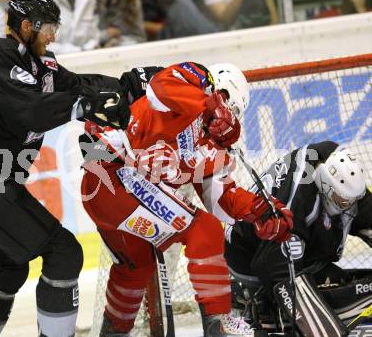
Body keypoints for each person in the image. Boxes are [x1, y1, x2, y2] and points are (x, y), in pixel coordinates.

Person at [0, 0, 151, 336]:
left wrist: (129, 86)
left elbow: (79, 85)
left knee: (7, 270)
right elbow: (28, 109)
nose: (54, 35)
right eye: (48, 27)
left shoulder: (39, 63)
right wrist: (81, 108)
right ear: (26, 26)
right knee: (65, 254)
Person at [81, 62, 293, 336]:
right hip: (111, 173)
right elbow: (160, 86)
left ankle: (113, 333)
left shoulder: (212, 148)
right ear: (217, 92)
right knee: (203, 230)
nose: (228, 120)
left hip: (119, 198)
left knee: (136, 266)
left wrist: (262, 210)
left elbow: (221, 199)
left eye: (234, 115)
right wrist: (211, 106)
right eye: (228, 106)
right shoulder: (186, 92)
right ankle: (220, 323)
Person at [225, 141, 372, 336]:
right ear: (326, 187)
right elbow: (273, 263)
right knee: (316, 313)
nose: (348, 205)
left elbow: (363, 209)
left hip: (294, 247)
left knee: (336, 282)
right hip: (249, 255)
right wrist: (324, 330)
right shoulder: (299, 197)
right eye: (343, 201)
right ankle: (261, 307)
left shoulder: (340, 180)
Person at [32, 0, 101, 53]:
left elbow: (94, 34)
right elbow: (38, 42)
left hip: (86, 58)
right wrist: (77, 51)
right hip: (53, 60)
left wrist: (91, 46)